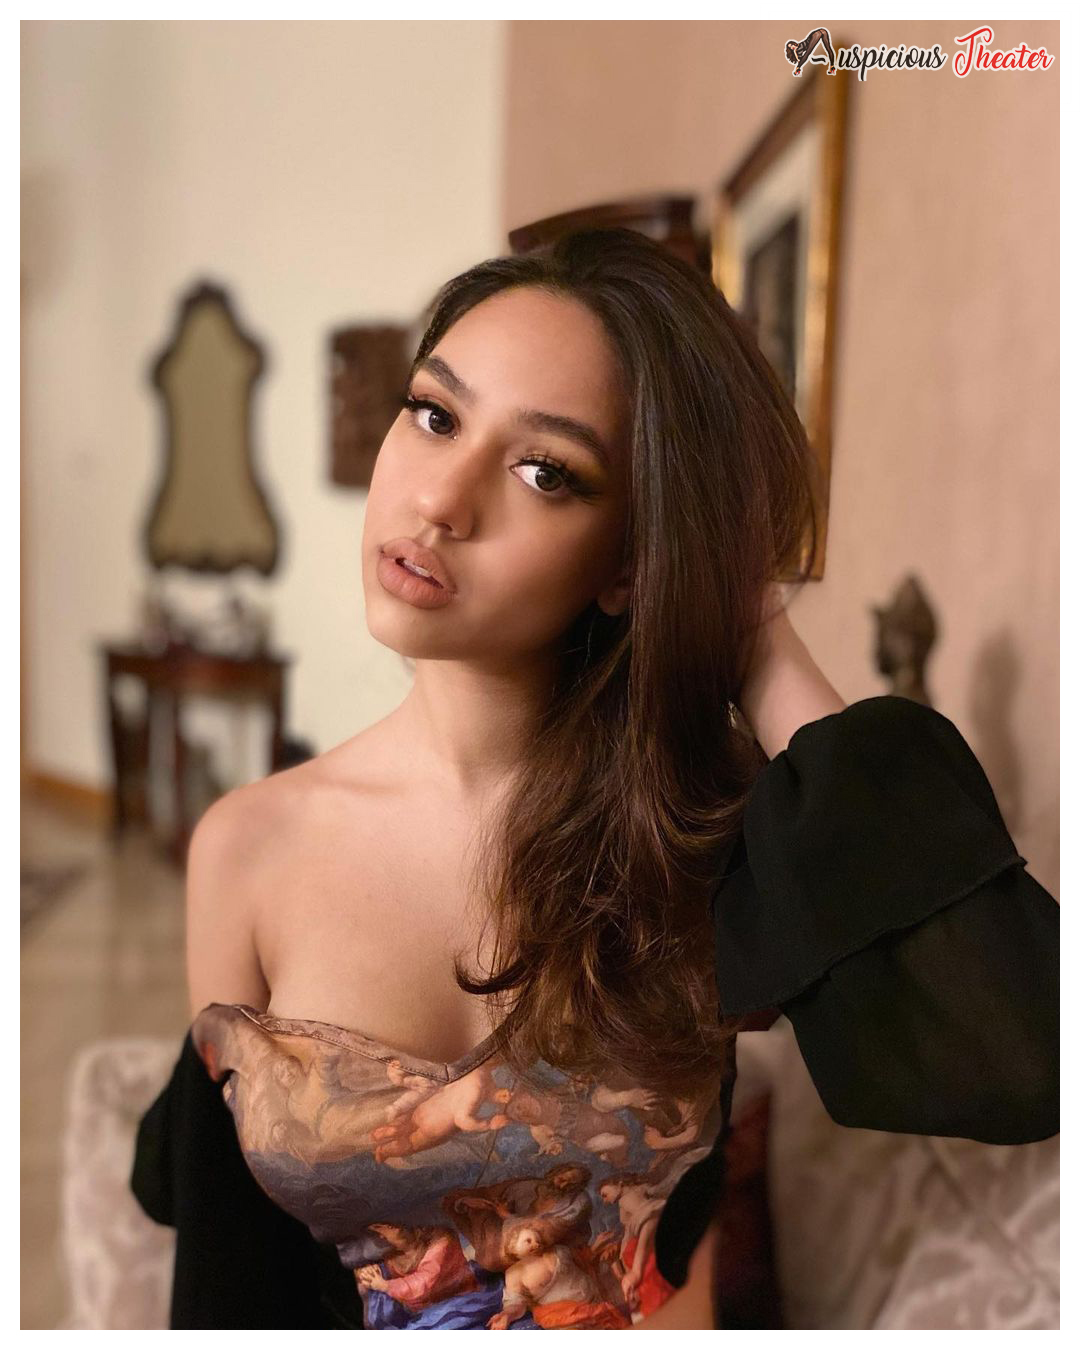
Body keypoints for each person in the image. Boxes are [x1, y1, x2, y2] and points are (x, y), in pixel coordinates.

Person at [131, 227, 1059, 1331]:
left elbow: (1017, 1055)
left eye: (546, 472)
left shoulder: (704, 844)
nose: (441, 502)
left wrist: (756, 640)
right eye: (434, 414)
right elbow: (231, 1267)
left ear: (630, 560)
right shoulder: (248, 846)